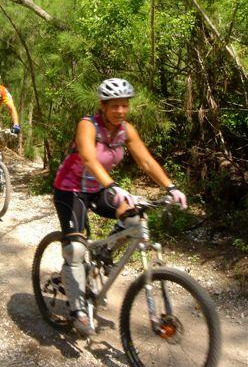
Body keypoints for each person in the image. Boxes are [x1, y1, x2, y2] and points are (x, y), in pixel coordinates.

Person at [53, 78, 187, 336]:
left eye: (124, 105)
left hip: (100, 188)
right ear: (103, 106)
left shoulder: (126, 130)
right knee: (75, 250)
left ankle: (105, 249)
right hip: (70, 189)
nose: (120, 111)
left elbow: (146, 161)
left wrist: (171, 187)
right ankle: (78, 310)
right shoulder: (87, 125)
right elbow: (89, 158)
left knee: (135, 218)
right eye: (114, 106)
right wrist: (114, 186)